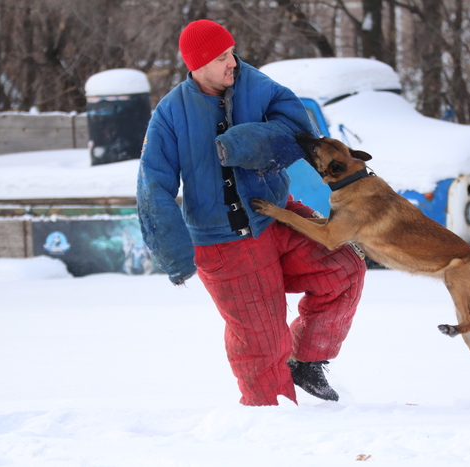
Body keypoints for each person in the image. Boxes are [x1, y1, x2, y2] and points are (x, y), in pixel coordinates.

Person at [137, 19, 366, 406]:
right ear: (197, 64)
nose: (233, 63)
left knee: (344, 269)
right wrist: (173, 252)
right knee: (263, 342)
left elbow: (299, 129)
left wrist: (246, 143)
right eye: (221, 58)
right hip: (224, 242)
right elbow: (153, 184)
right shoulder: (170, 113)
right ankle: (271, 422)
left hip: (276, 214)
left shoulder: (255, 85)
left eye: (232, 52)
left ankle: (307, 361)